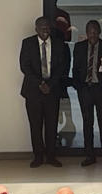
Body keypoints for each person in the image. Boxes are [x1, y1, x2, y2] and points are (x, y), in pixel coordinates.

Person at [20, 17, 69, 168]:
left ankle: (51, 156)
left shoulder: (59, 44)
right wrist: (41, 83)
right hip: (33, 91)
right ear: (36, 29)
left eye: (47, 27)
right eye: (41, 27)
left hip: (52, 90)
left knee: (52, 124)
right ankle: (38, 156)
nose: (45, 29)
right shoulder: (27, 43)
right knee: (35, 126)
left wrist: (50, 84)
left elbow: (62, 67)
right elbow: (24, 66)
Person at [72, 20, 102, 171]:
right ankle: (89, 156)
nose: (93, 34)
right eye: (90, 31)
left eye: (95, 31)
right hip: (85, 90)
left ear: (99, 32)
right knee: (87, 123)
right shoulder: (79, 47)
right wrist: (79, 87)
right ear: (86, 32)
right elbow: (75, 69)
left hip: (101, 90)